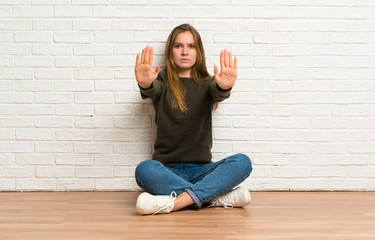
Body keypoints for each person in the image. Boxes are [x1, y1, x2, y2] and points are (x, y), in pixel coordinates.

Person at [134, 23, 252, 215]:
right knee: (144, 169)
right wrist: (145, 83)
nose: (184, 52)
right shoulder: (162, 81)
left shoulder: (208, 83)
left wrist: (224, 87)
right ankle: (213, 197)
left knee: (242, 162)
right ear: (170, 51)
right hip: (167, 170)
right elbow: (151, 89)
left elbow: (218, 92)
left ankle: (172, 203)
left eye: (191, 46)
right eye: (178, 46)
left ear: (199, 52)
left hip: (201, 171)